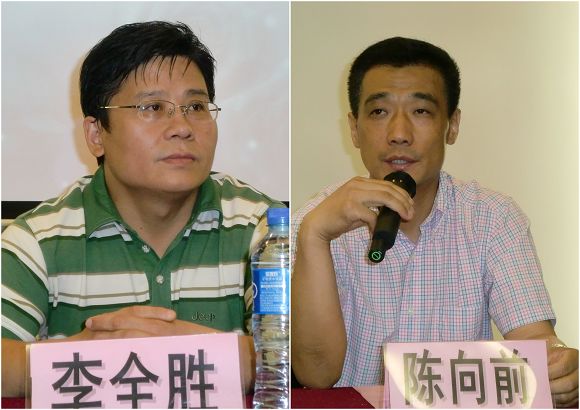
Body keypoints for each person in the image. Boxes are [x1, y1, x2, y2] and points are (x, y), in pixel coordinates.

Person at [291, 37, 578, 407]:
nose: (399, 134)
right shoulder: (314, 220)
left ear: (452, 125)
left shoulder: (493, 218)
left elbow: (535, 341)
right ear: (354, 128)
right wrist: (314, 237)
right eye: (379, 112)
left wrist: (559, 366)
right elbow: (316, 376)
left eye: (421, 111)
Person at [1, 21, 284, 397]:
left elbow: (302, 359)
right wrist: (88, 357)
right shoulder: (37, 239)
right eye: (152, 107)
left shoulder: (261, 225)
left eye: (196, 106)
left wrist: (188, 353)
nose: (181, 127)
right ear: (96, 134)